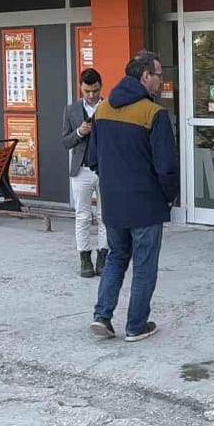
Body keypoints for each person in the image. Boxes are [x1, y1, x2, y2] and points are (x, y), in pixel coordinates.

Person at [86, 50, 179, 342]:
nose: (160, 81)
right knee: (144, 265)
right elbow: (167, 166)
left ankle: (102, 316)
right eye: (158, 75)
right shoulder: (153, 113)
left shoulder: (102, 110)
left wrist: (112, 183)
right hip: (146, 204)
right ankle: (136, 326)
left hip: (113, 203)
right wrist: (169, 197)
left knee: (116, 257)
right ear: (145, 76)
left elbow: (93, 158)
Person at [61, 68, 107, 278]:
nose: (91, 95)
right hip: (81, 170)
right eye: (87, 91)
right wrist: (79, 132)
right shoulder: (71, 110)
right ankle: (85, 259)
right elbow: (65, 141)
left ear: (101, 86)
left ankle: (103, 257)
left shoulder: (109, 107)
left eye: (95, 90)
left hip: (106, 169)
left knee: (106, 216)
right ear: (80, 88)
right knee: (82, 215)